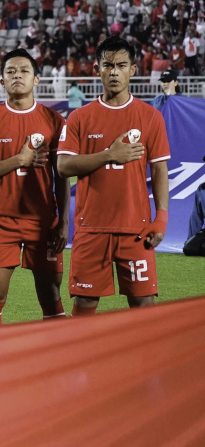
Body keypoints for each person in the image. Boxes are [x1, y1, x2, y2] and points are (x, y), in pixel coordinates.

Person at [57, 36, 170, 315]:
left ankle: (144, 361)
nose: (114, 71)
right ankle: (82, 360)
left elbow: (158, 168)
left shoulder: (150, 116)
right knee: (84, 305)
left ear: (133, 70)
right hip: (90, 228)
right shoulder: (80, 117)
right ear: (97, 69)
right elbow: (63, 167)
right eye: (108, 65)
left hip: (136, 228)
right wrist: (109, 155)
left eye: (121, 65)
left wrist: (162, 218)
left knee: (143, 306)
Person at [0, 49, 69, 325]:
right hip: (1, 222)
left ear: (36, 79)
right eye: (10, 72)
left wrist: (64, 221)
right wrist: (19, 160)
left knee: (51, 294)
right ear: (1, 81)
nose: (17, 76)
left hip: (44, 222)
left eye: (24, 71)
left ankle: (62, 362)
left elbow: (61, 176)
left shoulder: (55, 121)